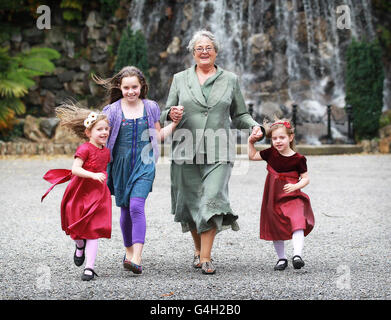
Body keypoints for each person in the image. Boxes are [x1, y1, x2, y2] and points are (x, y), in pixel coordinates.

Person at [161, 30, 264, 275]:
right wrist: (170, 115)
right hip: (185, 148)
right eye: (199, 48)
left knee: (211, 199)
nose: (204, 51)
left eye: (209, 47)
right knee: (191, 203)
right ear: (193, 53)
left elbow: (239, 115)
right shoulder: (179, 78)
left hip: (219, 150)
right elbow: (166, 111)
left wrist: (254, 126)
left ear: (216, 52)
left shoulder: (230, 79)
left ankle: (206, 257)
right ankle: (198, 250)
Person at [94, 66, 181, 275]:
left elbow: (158, 135)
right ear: (120, 88)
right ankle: (129, 251)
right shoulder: (112, 111)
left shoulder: (150, 107)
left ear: (142, 86)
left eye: (135, 87)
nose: (131, 91)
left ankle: (138, 257)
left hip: (145, 163)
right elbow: (102, 137)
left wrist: (175, 124)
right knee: (124, 210)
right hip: (120, 165)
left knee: (136, 206)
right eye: (126, 88)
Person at [41, 103, 112, 281]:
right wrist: (93, 175)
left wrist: (102, 180)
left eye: (106, 129)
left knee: (94, 231)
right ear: (88, 133)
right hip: (80, 192)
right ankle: (79, 246)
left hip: (98, 194)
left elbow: (105, 169)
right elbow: (75, 170)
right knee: (77, 230)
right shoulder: (84, 149)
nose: (104, 132)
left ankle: (90, 267)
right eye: (99, 129)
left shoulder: (107, 151)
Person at [248, 118, 315, 270]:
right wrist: (250, 142)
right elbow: (252, 156)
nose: (278, 141)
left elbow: (306, 178)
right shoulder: (271, 153)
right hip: (273, 196)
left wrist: (296, 185)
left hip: (293, 196)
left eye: (282, 137)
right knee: (276, 226)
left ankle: (297, 255)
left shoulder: (299, 159)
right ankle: (281, 258)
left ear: (290, 137)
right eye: (274, 138)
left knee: (298, 221)